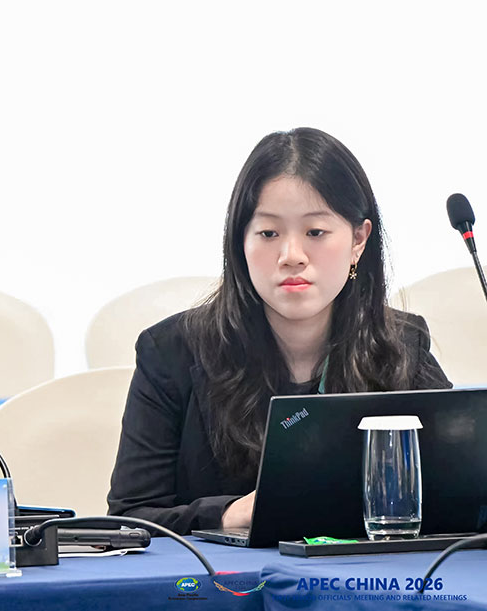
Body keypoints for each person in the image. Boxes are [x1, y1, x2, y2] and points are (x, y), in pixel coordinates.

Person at [106, 127, 451, 535]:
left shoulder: (401, 345)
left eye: (315, 232)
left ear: (358, 240)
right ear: (240, 241)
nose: (291, 256)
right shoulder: (172, 354)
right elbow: (129, 517)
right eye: (269, 233)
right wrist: (228, 514)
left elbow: (463, 490)